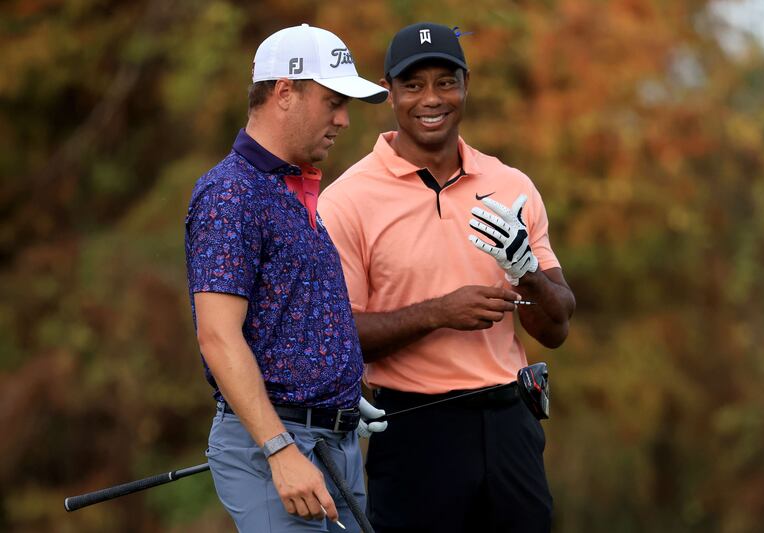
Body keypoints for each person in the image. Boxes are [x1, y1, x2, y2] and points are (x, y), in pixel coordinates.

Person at [317, 22, 576, 533]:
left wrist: (528, 274)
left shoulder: (510, 185)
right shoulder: (346, 200)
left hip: (510, 423)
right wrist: (440, 313)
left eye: (445, 81)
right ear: (390, 93)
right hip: (413, 430)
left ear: (466, 86)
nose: (431, 99)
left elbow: (557, 328)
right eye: (413, 85)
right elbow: (338, 337)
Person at [184, 24, 389, 533]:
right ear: (283, 92)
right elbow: (217, 335)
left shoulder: (294, 188)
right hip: (276, 446)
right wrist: (278, 449)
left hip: (332, 443)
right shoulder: (232, 194)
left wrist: (337, 390)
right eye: (333, 101)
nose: (343, 119)